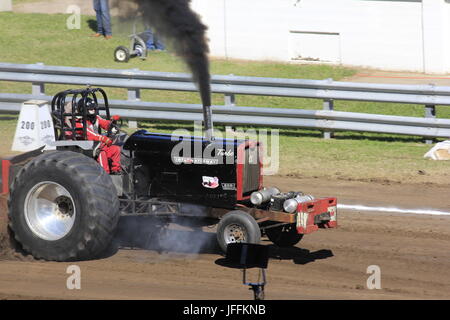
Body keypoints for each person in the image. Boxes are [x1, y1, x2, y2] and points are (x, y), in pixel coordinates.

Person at [75, 98, 121, 174]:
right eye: (91, 108)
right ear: (84, 109)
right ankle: (105, 174)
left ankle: (116, 171)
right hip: (85, 146)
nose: (93, 110)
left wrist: (112, 122)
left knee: (116, 149)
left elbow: (105, 124)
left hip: (97, 144)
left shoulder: (96, 118)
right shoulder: (79, 122)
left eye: (94, 108)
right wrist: (103, 138)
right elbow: (89, 134)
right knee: (101, 153)